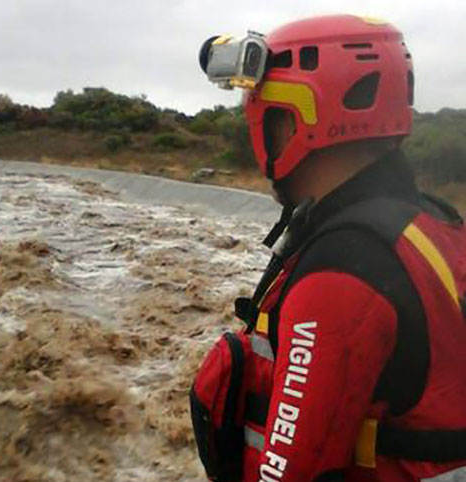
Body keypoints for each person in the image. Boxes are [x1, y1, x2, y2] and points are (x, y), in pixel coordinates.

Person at [192, 14, 466, 482]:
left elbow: (288, 471)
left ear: (297, 121)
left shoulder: (342, 272)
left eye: (266, 116)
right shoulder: (434, 224)